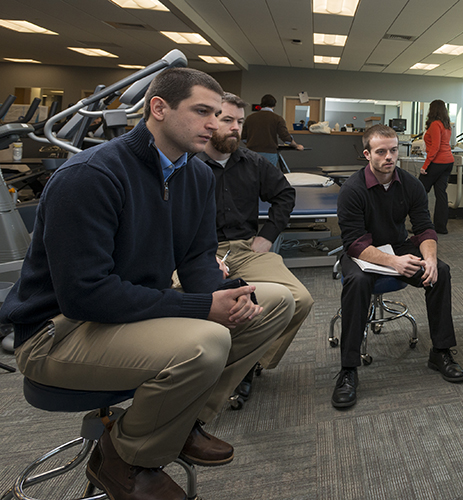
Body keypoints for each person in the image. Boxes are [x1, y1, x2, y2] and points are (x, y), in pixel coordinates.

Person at [0, 67, 296, 500]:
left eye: (218, 113)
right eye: (201, 112)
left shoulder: (194, 175)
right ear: (158, 108)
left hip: (131, 313)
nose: (215, 124)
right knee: (207, 342)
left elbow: (196, 257)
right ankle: (126, 457)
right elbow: (86, 295)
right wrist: (202, 308)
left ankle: (181, 422)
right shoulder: (91, 176)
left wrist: (229, 292)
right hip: (59, 331)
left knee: (276, 301)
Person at [333, 124, 463, 409]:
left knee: (440, 272)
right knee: (357, 283)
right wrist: (393, 262)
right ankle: (348, 370)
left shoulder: (411, 184)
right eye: (381, 152)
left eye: (393, 150)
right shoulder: (352, 189)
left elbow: (425, 229)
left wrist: (429, 259)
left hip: (398, 245)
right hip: (363, 252)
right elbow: (354, 243)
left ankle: (440, 351)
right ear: (367, 154)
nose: (389, 157)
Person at [196, 92, 316, 405]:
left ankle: (249, 363)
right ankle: (209, 370)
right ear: (210, 122)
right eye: (227, 121)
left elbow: (284, 195)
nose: (235, 128)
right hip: (198, 251)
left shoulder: (253, 162)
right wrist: (199, 255)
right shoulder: (188, 164)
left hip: (246, 248)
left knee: (300, 299)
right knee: (211, 306)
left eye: (239, 122)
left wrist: (268, 235)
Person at [418, 99, 455, 234]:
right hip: (448, 162)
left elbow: (435, 147)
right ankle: (441, 227)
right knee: (441, 194)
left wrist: (425, 166)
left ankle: (422, 226)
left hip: (437, 162)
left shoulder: (435, 125)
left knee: (419, 192)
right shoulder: (447, 125)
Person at [240, 94, 303, 167]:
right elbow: (285, 137)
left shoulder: (250, 118)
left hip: (251, 152)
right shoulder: (277, 118)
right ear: (274, 105)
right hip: (269, 153)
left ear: (261, 104)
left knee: (251, 175)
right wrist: (296, 146)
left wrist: (252, 144)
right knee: (267, 176)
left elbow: (243, 137)